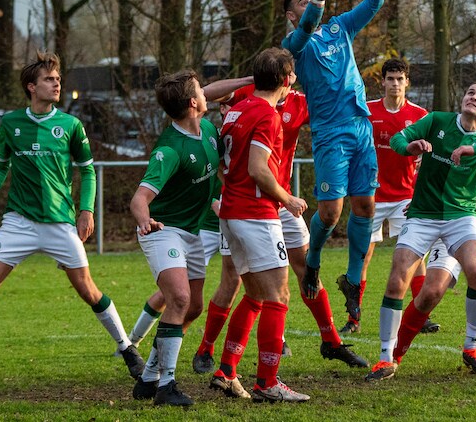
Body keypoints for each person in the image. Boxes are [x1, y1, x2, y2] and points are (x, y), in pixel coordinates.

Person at [0, 52, 144, 384]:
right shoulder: (11, 123)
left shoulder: (70, 125)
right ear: (31, 86)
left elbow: (87, 172)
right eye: (49, 79)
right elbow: (1, 164)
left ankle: (128, 349)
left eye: (57, 79)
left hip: (59, 223)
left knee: (88, 290)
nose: (56, 83)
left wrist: (86, 211)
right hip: (19, 222)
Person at [198, 77, 367, 393]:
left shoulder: (298, 101)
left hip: (275, 201)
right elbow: (204, 93)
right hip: (258, 204)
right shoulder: (252, 99)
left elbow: (338, 104)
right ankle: (239, 366)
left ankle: (330, 340)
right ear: (281, 74)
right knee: (248, 285)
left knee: (303, 271)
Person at [366, 82, 476, 381]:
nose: (474, 98)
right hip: (423, 214)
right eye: (470, 93)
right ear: (462, 99)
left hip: (461, 215)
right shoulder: (437, 120)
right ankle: (386, 358)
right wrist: (410, 147)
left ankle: (471, 347)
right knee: (397, 279)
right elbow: (400, 139)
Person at [281, 0, 389, 323]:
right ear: (292, 15)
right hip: (330, 134)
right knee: (329, 214)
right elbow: (309, 24)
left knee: (366, 208)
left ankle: (354, 282)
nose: (308, 3)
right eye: (301, 1)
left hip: (361, 127)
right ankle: (312, 262)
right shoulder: (295, 43)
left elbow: (373, 4)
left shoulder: (340, 28)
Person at [211, 47, 310, 403]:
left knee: (254, 295)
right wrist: (288, 199)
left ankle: (225, 371)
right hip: (255, 214)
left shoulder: (236, 109)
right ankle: (268, 382)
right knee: (278, 296)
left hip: (231, 213)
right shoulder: (267, 115)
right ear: (286, 80)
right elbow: (257, 168)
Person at [127, 70, 225, 406]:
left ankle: (149, 375)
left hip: (193, 231)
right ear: (192, 103)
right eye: (201, 89)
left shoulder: (208, 130)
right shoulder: (169, 150)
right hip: (162, 230)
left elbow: (210, 183)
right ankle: (166, 386)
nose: (206, 92)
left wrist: (252, 81)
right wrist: (145, 222)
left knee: (193, 307)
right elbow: (139, 200)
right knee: (179, 299)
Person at [347, 57, 433, 336]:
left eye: (400, 79)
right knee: (363, 256)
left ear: (407, 82)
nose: (395, 84)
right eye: (390, 79)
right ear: (382, 82)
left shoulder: (420, 114)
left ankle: (421, 315)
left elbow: (430, 157)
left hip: (406, 197)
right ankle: (353, 318)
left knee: (414, 256)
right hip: (371, 194)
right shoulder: (368, 111)